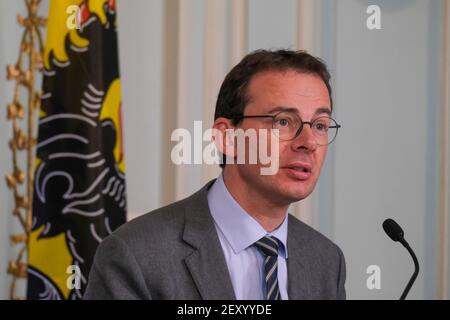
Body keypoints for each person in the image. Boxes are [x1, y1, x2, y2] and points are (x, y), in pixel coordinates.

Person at [84, 49, 346, 300]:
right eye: (283, 121)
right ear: (227, 137)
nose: (309, 142)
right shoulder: (136, 255)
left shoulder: (326, 261)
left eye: (320, 125)